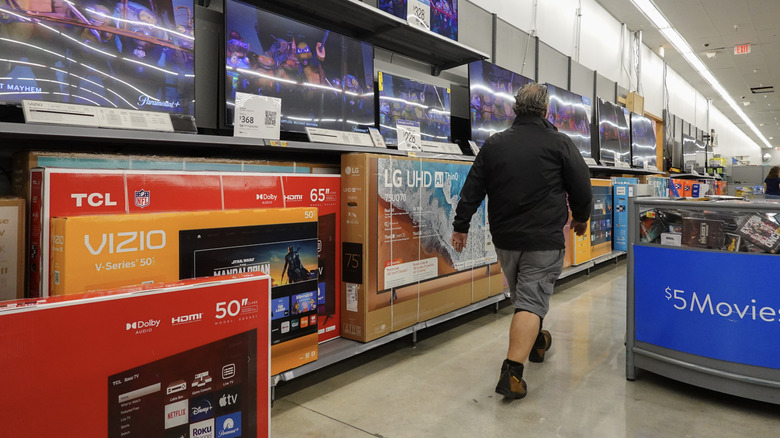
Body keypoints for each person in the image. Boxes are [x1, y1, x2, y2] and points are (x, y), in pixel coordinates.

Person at [450, 83, 592, 400]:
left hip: (506, 239)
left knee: (526, 298)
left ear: (515, 109)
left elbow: (472, 188)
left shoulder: (495, 145)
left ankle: (537, 340)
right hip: (544, 239)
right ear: (546, 111)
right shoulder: (560, 143)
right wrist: (581, 217)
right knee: (530, 300)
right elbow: (581, 185)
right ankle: (512, 373)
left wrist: (461, 225)